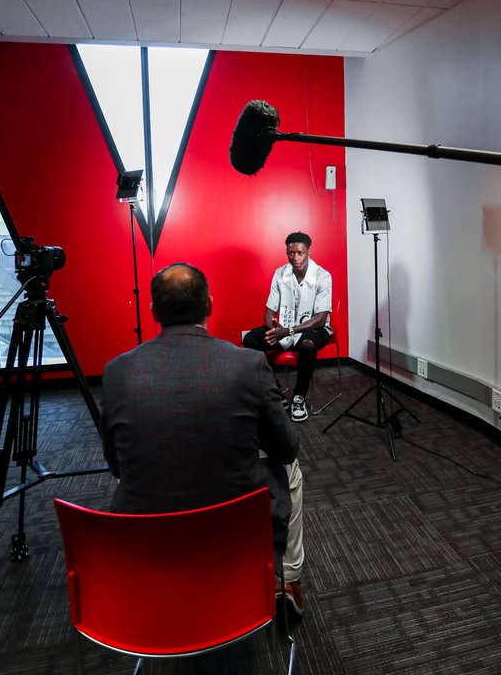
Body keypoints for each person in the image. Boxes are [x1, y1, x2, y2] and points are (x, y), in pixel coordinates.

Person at [100, 262, 308, 613]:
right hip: (234, 531)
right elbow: (286, 447)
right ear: (209, 305)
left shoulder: (116, 371)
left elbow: (116, 465)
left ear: (152, 311)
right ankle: (287, 580)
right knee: (292, 468)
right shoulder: (249, 364)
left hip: (147, 539)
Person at [243, 231, 333, 423]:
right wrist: (274, 328)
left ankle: (299, 397)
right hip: (285, 328)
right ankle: (275, 392)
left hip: (314, 329)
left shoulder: (323, 276)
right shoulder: (280, 274)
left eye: (300, 253)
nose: (295, 258)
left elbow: (320, 318)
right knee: (250, 339)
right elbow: (268, 312)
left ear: (309, 251)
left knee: (308, 344)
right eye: (291, 253)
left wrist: (289, 331)